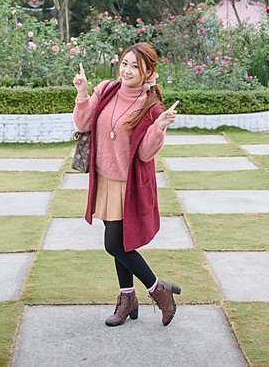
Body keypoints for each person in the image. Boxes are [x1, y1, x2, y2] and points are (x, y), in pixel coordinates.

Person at [72, 42, 181, 327]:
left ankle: (159, 290)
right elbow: (84, 124)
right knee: (119, 243)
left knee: (116, 244)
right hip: (104, 178)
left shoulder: (151, 107)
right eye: (125, 63)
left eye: (136, 66)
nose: (128, 70)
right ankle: (127, 297)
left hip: (128, 185)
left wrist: (159, 128)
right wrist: (83, 93)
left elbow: (145, 154)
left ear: (148, 72)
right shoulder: (107, 89)